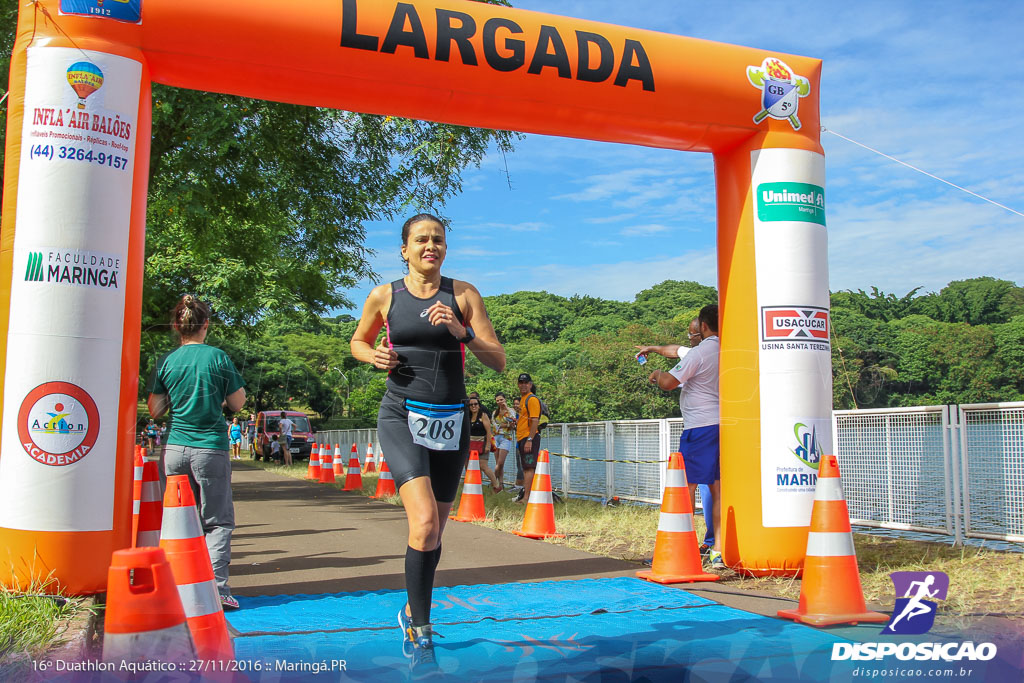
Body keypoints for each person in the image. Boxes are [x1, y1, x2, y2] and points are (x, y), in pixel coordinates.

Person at [350, 213, 505, 675]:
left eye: (438, 239)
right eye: (421, 240)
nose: (430, 246)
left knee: (435, 530)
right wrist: (373, 354)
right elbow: (358, 341)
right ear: (405, 249)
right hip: (401, 415)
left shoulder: (463, 294)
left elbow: (497, 361)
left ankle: (413, 608)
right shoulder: (385, 296)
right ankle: (421, 632)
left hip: (451, 420)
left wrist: (464, 332)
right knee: (422, 524)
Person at [147, 294, 246, 610]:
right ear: (206, 324)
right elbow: (238, 402)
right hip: (210, 448)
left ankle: (177, 588)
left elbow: (155, 410)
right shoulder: (218, 358)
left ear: (177, 325)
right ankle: (216, 589)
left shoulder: (166, 361)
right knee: (217, 521)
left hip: (175, 447)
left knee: (178, 518)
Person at [638, 304, 723, 569]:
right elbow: (676, 351)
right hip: (724, 426)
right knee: (718, 489)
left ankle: (677, 550)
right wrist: (653, 349)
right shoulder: (727, 349)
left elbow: (668, 383)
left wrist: (657, 374)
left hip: (699, 428)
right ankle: (717, 551)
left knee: (684, 489)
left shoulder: (700, 353)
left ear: (704, 327)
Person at [515, 373, 542, 504]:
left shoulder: (532, 399)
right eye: (521, 382)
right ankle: (526, 495)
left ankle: (527, 497)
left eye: (526, 383)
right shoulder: (523, 399)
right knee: (526, 467)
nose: (523, 385)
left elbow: (535, 420)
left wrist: (530, 440)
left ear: (530, 384)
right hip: (522, 437)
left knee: (529, 467)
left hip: (528, 438)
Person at [467, 397, 497, 489]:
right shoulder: (468, 417)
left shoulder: (483, 416)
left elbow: (489, 432)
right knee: (474, 467)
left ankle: (496, 485)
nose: (473, 406)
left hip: (482, 444)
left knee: (483, 466)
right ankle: (476, 487)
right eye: (471, 404)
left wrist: (488, 446)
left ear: (479, 406)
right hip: (471, 445)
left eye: (475, 404)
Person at [490, 391, 517, 493]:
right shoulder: (495, 413)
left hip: (506, 438)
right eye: (497, 400)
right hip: (496, 438)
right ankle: (500, 485)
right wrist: (506, 425)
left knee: (500, 463)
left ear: (505, 400)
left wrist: (506, 410)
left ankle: (492, 481)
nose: (500, 402)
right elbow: (495, 426)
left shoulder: (511, 411)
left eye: (501, 399)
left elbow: (513, 424)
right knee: (498, 463)